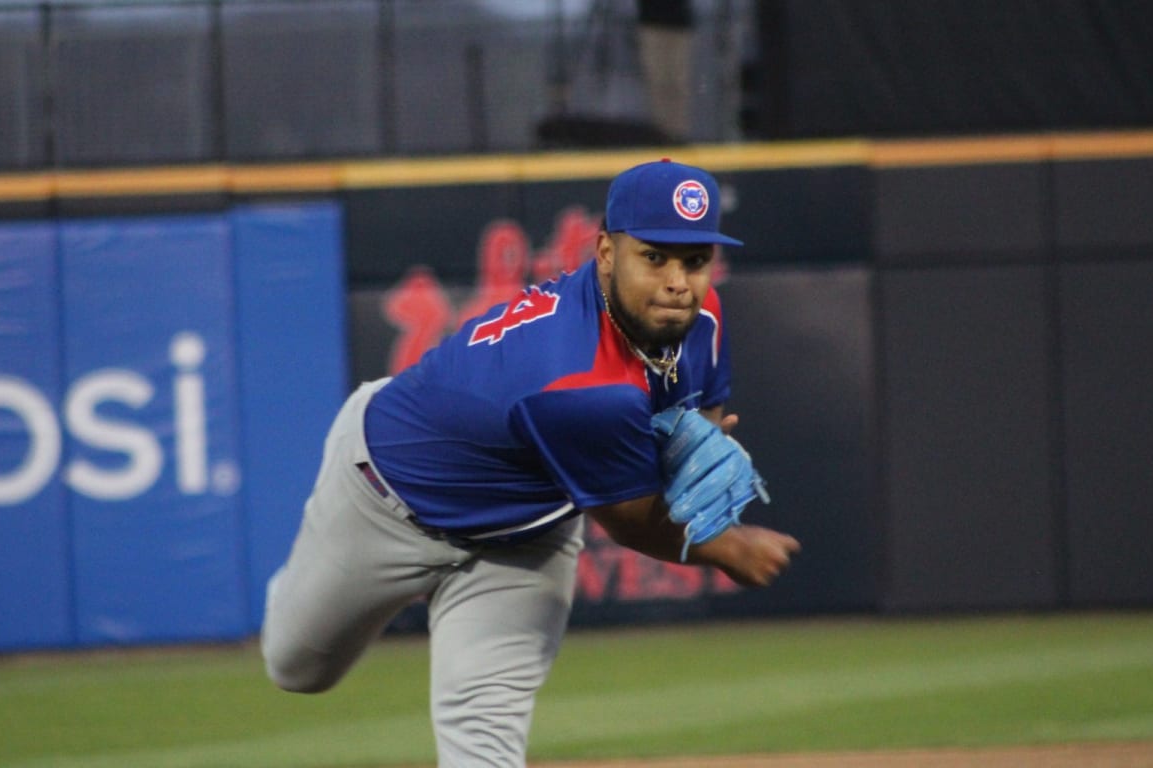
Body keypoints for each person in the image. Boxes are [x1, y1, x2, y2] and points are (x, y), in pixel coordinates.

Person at [261, 159, 800, 767]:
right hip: (383, 498)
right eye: (655, 256)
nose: (679, 281)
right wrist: (728, 546)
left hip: (525, 536)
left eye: (695, 260)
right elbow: (631, 522)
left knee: (484, 740)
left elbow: (695, 421)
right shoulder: (575, 381)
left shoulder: (698, 318)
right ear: (605, 251)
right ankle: (305, 585)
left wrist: (685, 457)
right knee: (296, 668)